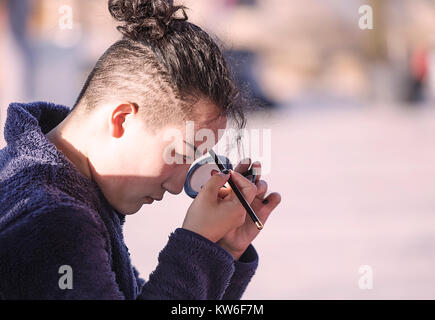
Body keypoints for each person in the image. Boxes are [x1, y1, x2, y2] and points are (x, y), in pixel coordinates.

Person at [0, 0, 281, 299]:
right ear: (122, 119)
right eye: (180, 153)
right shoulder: (55, 223)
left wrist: (221, 249)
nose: (177, 186)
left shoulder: (56, 188)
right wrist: (196, 246)